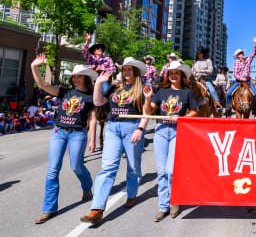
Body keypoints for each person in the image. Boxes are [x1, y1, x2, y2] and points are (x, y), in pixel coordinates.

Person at [30, 54, 98, 224]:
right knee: (53, 169)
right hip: (58, 132)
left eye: (79, 76)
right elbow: (42, 85)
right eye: (74, 76)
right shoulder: (65, 92)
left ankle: (87, 188)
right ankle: (49, 209)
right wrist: (34, 67)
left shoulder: (91, 97)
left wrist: (92, 139)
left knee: (76, 165)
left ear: (86, 78)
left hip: (77, 133)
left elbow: (92, 118)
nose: (75, 79)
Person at [80, 57, 147, 225]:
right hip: (112, 127)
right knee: (108, 168)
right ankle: (97, 209)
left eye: (129, 69)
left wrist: (140, 128)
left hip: (132, 126)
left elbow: (146, 112)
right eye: (124, 69)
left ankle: (131, 194)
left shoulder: (143, 88)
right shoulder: (115, 86)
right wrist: (98, 84)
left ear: (136, 72)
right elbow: (98, 102)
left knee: (133, 166)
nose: (126, 72)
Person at [141, 60, 198, 221]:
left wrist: (182, 118)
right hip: (160, 131)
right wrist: (147, 98)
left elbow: (194, 111)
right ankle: (163, 206)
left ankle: (175, 201)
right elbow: (148, 110)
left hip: (177, 132)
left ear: (181, 75)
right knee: (161, 171)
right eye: (171, 73)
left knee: (170, 171)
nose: (173, 75)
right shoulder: (161, 92)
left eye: (176, 73)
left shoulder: (187, 92)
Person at [226, 37, 256, 116]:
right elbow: (235, 74)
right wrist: (241, 78)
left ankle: (255, 108)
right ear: (238, 56)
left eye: (242, 53)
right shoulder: (236, 63)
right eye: (240, 53)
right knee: (228, 93)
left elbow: (253, 53)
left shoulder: (248, 60)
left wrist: (255, 44)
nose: (242, 54)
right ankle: (228, 109)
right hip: (239, 82)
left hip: (247, 82)